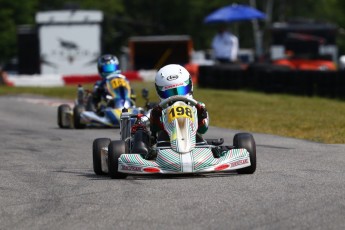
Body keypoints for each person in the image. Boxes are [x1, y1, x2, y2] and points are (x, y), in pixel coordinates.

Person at [149, 64, 209, 144]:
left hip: (195, 145)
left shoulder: (198, 107)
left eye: (181, 90)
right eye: (169, 93)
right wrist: (155, 118)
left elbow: (203, 130)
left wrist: (200, 118)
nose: (176, 96)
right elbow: (154, 130)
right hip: (165, 146)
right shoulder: (159, 111)